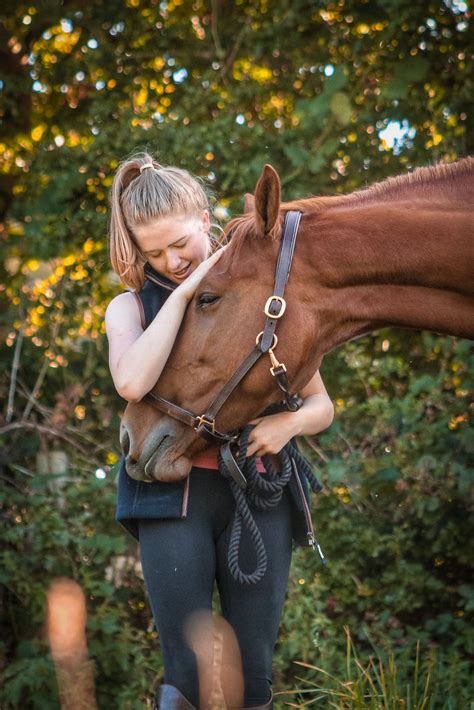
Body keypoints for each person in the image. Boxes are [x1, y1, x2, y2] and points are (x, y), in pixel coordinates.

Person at [105, 152, 334, 709]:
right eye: (153, 252)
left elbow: (322, 403)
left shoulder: (263, 296)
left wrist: (290, 423)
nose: (171, 260)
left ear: (204, 219)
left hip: (258, 492)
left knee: (252, 673)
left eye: (179, 244)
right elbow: (132, 382)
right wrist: (184, 295)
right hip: (169, 496)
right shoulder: (131, 306)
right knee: (185, 673)